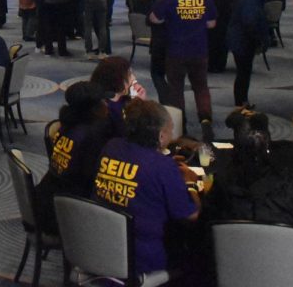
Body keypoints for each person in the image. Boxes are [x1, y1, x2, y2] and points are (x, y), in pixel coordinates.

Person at [94, 100, 199, 279]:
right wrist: (191, 184)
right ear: (160, 136)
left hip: (101, 245)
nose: (172, 135)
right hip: (140, 260)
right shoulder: (162, 167)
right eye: (170, 130)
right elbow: (190, 216)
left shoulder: (111, 147)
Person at [34, 80, 115, 233]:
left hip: (45, 200)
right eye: (103, 101)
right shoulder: (91, 137)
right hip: (64, 216)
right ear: (94, 109)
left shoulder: (67, 126)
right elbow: (95, 181)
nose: (107, 104)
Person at [149, 0, 217, 141]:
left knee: (176, 89)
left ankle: (181, 124)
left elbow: (154, 18)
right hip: (199, 50)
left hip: (176, 51)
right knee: (201, 87)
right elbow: (211, 24)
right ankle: (205, 120)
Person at [227, 0, 266, 110]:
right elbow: (249, 22)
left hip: (238, 40)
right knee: (244, 74)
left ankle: (242, 101)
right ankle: (241, 103)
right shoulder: (249, 0)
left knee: (242, 73)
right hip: (244, 42)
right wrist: (257, 40)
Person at [87, 54, 147, 135]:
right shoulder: (106, 110)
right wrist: (138, 106)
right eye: (129, 75)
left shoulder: (124, 99)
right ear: (116, 80)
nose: (134, 78)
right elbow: (126, 132)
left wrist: (137, 101)